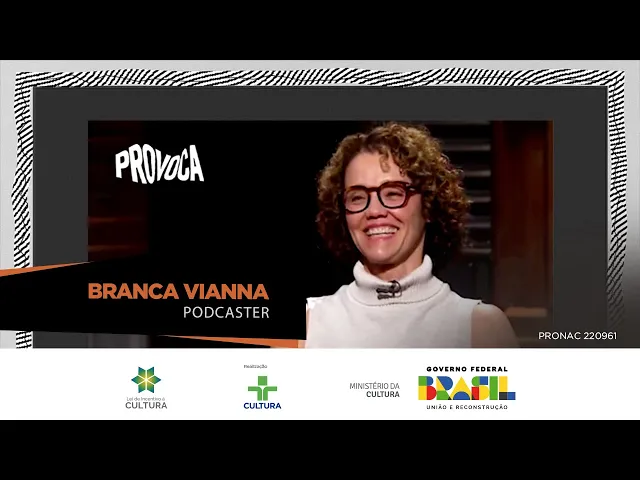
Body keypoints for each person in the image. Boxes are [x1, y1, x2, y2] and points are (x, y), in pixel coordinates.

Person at [302, 122, 519, 348]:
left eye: (393, 194)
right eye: (357, 197)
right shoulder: (309, 322)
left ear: (428, 205)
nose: (374, 211)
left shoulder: (482, 328)